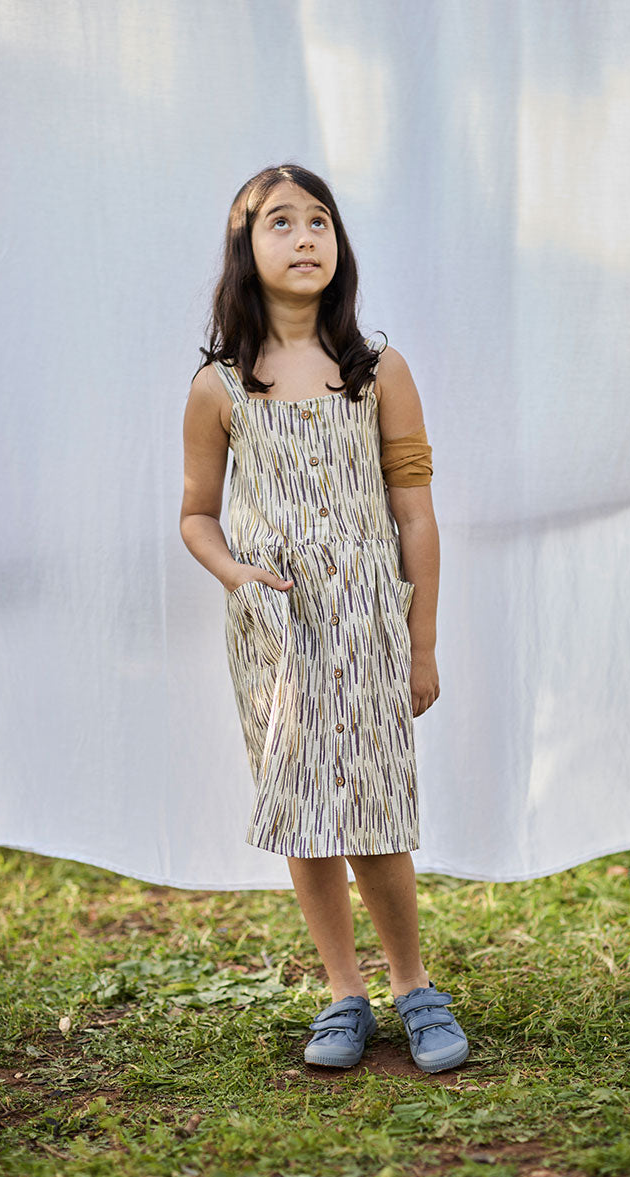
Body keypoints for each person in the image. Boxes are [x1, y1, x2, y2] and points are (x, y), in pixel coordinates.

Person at [180, 163, 468, 1074]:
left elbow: (414, 510)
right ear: (245, 250)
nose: (305, 238)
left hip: (368, 624)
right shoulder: (219, 387)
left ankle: (415, 987)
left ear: (338, 247)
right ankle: (345, 992)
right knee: (305, 811)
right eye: (280, 224)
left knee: (376, 807)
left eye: (319, 222)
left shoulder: (379, 372)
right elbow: (196, 514)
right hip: (277, 634)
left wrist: (421, 642)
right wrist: (237, 575)